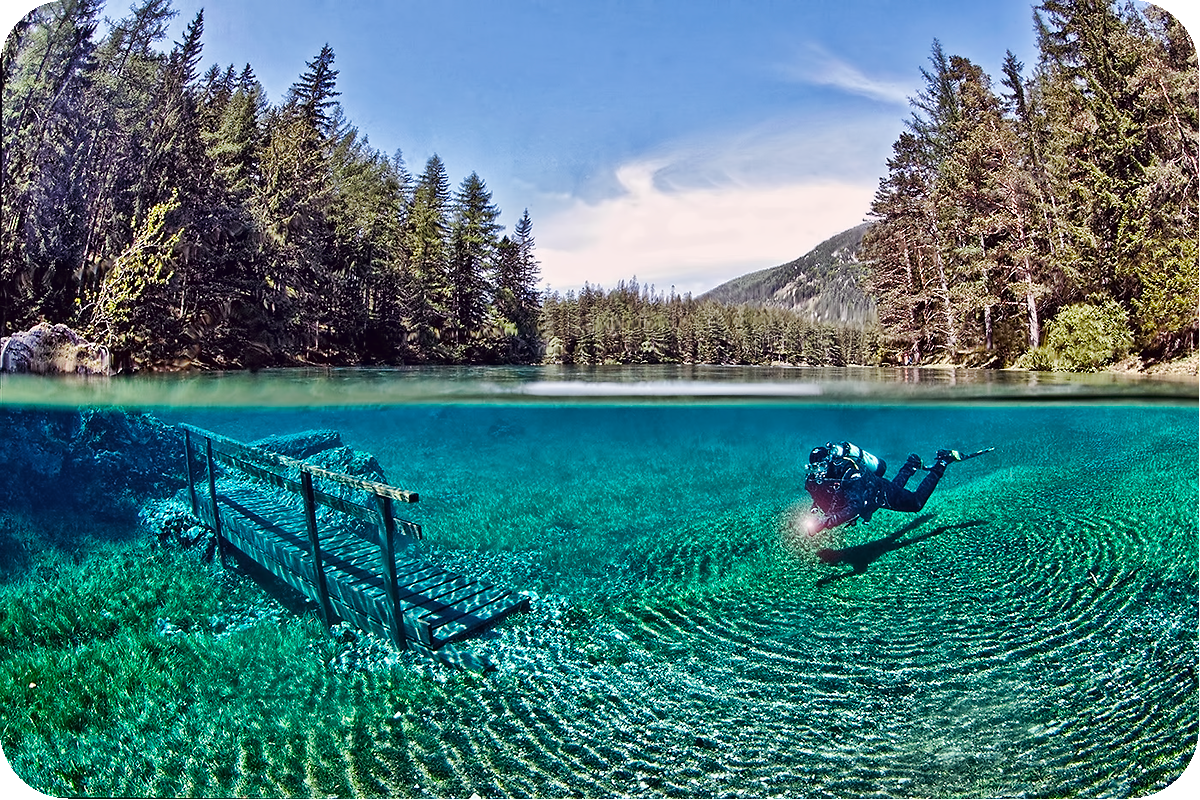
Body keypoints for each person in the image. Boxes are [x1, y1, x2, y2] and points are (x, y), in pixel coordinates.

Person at [803, 441, 972, 533]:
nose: (819, 473)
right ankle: (911, 465)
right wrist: (815, 507)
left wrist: (826, 522)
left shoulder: (849, 472)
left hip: (877, 492)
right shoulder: (817, 479)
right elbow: (824, 494)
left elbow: (855, 507)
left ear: (830, 462)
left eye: (822, 467)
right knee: (895, 489)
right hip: (869, 499)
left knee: (916, 503)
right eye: (815, 468)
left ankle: (943, 461)